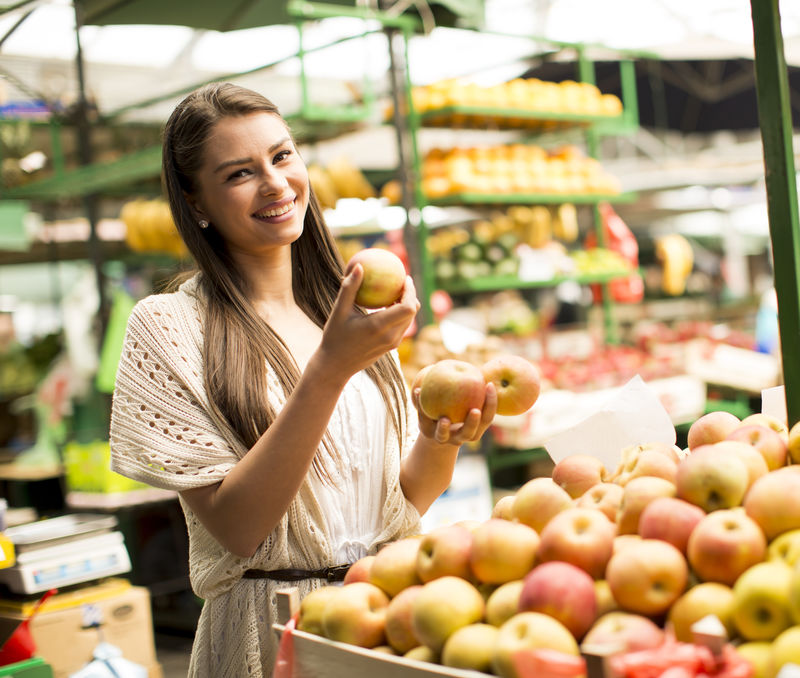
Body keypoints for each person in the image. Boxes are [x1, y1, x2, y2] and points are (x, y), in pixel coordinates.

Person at [109, 81, 497, 677]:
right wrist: (329, 370)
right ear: (197, 203)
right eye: (240, 174)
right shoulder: (170, 328)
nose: (275, 183)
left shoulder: (346, 309)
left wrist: (439, 439)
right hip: (270, 635)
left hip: (382, 613)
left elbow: (401, 502)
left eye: (282, 155)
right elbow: (239, 528)